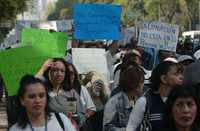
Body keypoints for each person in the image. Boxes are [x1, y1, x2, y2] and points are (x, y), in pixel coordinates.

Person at [37, 58, 96, 126]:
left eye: (62, 71)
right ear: (48, 72)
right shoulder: (41, 92)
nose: (59, 74)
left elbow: (76, 114)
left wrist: (74, 120)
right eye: (55, 70)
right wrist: (43, 68)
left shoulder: (71, 93)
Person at [126, 61, 184, 131]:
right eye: (176, 74)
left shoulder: (181, 100)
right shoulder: (145, 101)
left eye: (181, 74)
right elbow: (131, 127)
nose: (181, 77)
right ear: (164, 79)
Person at [9, 74, 76, 131]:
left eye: (41, 96)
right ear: (22, 100)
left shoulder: (61, 120)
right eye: (32, 96)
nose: (37, 100)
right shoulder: (15, 129)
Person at [103, 62, 145, 131]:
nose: (143, 86)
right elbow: (107, 128)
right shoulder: (114, 102)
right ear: (136, 85)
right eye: (142, 82)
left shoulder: (139, 100)